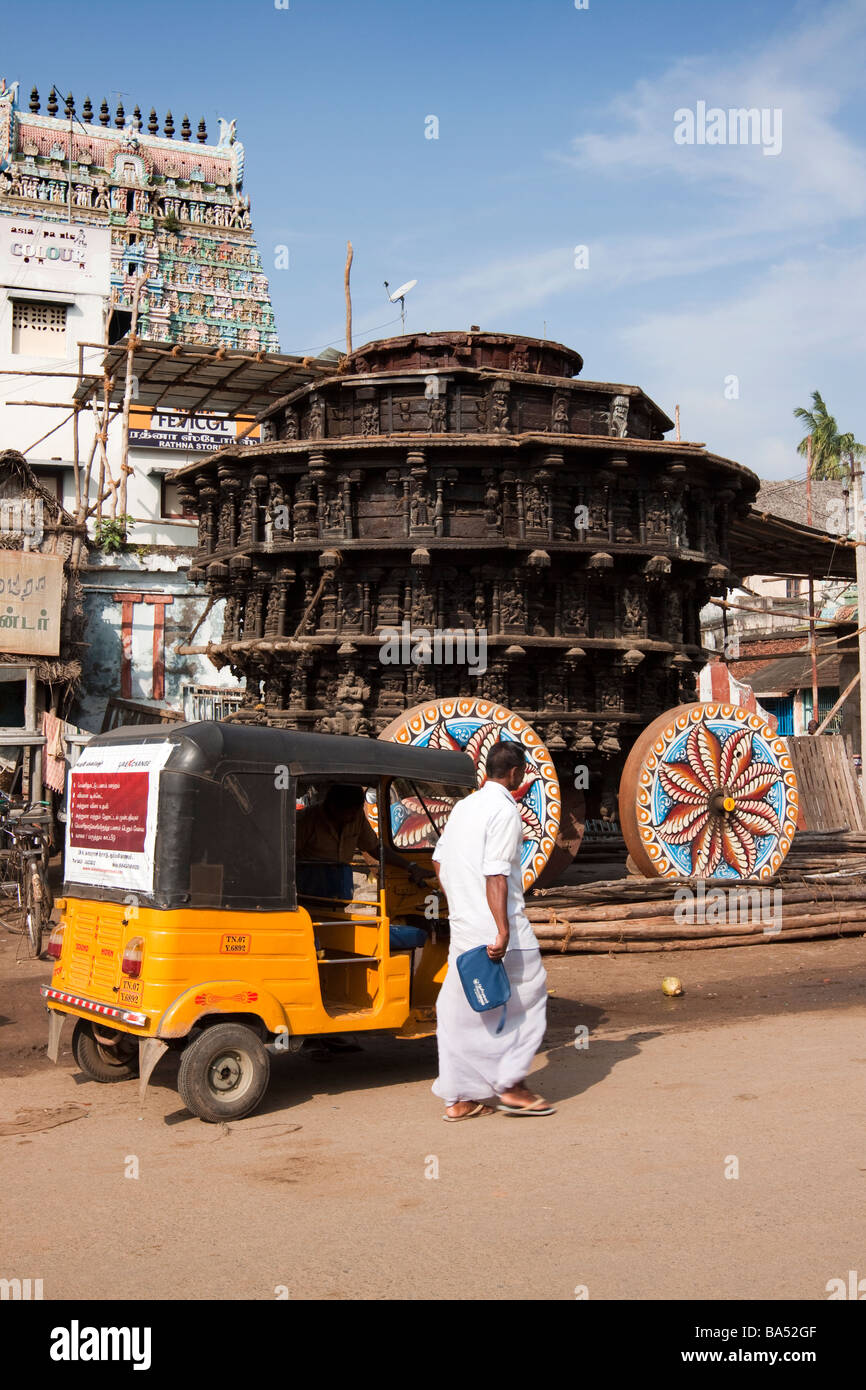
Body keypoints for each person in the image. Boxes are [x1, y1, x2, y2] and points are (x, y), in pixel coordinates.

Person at [431, 741, 555, 1121]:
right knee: (528, 1000)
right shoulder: (505, 809)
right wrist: (501, 930)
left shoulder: (464, 807)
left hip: (465, 927)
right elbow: (496, 873)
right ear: (515, 774)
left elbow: (438, 863)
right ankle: (511, 1087)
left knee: (456, 1011)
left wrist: (462, 902)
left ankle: (459, 1098)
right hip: (502, 930)